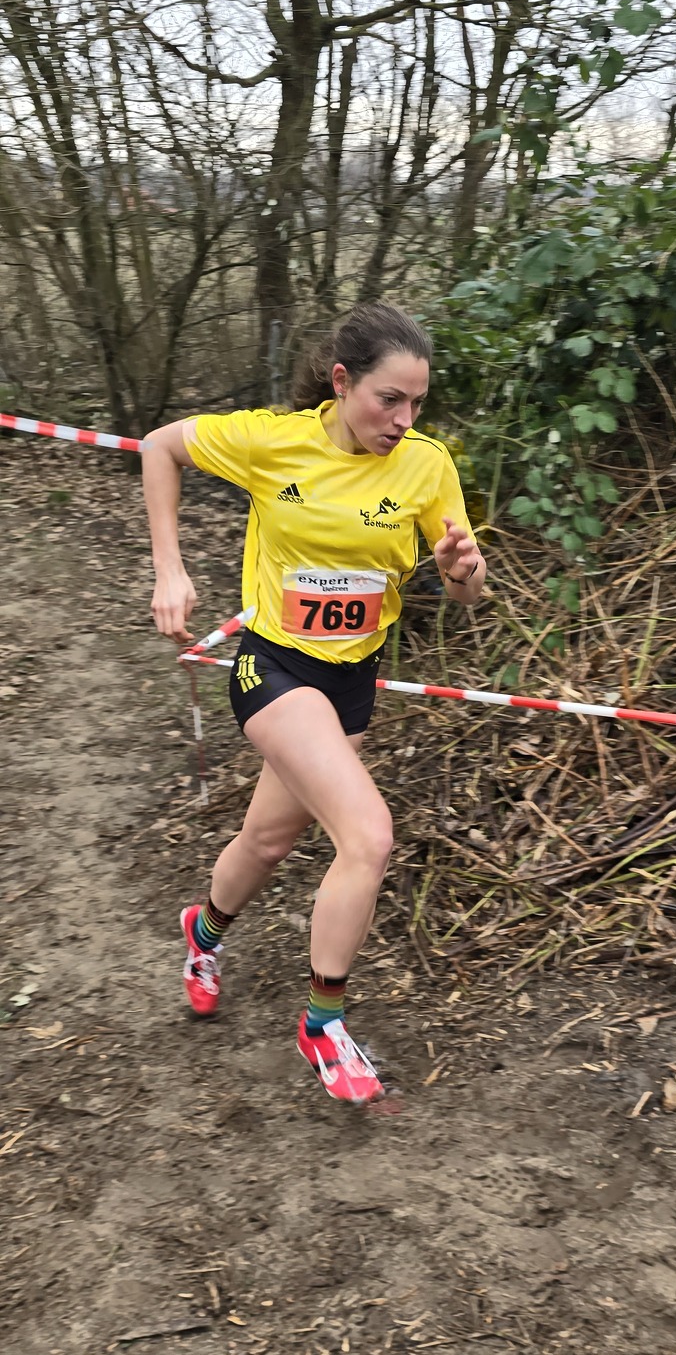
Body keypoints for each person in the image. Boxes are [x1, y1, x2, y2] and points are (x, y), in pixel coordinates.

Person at [142, 303, 485, 1103]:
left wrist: (463, 570)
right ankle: (323, 1025)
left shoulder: (427, 465)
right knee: (368, 836)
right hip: (273, 667)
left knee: (267, 842)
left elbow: (468, 591)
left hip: (352, 680)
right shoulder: (273, 440)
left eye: (417, 403)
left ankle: (203, 932)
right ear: (341, 382)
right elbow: (160, 446)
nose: (403, 420)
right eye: (388, 399)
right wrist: (170, 569)